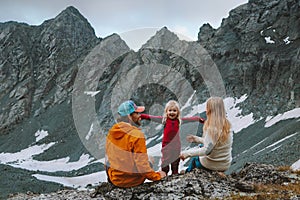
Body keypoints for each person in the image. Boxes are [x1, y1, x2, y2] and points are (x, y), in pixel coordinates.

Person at [105, 100, 166, 188]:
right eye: (137, 113)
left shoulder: (111, 133)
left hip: (115, 180)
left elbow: (107, 161)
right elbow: (142, 166)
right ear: (129, 116)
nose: (140, 116)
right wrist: (158, 176)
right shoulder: (136, 135)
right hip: (132, 182)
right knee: (150, 159)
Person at [141, 100, 205, 175]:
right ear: (166, 112)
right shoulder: (164, 120)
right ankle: (164, 173)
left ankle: (175, 173)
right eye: (170, 110)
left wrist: (198, 119)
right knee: (165, 161)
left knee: (175, 161)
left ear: (178, 112)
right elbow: (152, 117)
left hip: (176, 146)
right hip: (166, 146)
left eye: (174, 110)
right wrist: (142, 116)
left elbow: (189, 119)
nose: (172, 112)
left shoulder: (179, 120)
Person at [180, 97, 233, 172]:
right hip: (225, 164)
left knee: (195, 159)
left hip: (212, 165)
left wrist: (186, 154)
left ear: (210, 110)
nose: (206, 110)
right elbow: (215, 143)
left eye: (207, 108)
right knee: (202, 146)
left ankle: (187, 172)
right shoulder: (227, 125)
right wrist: (197, 139)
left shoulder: (212, 128)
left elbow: (206, 151)